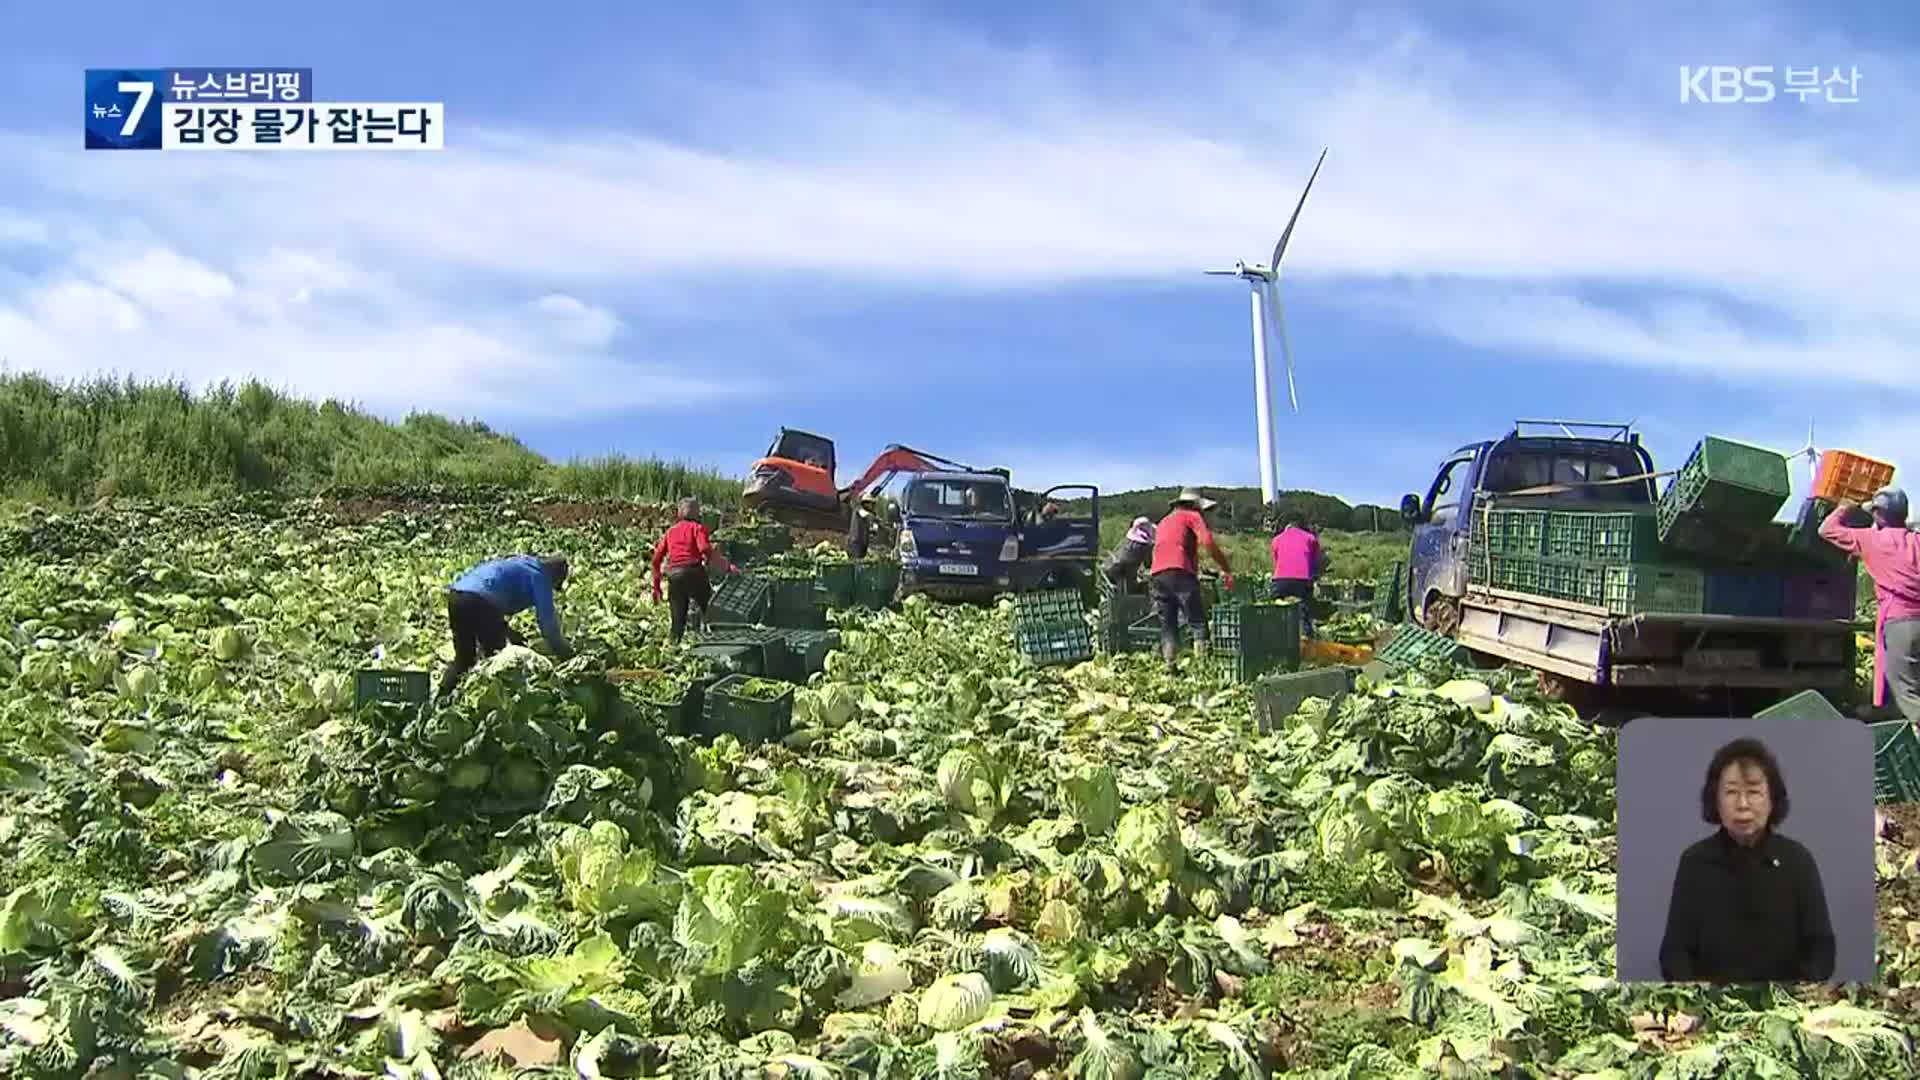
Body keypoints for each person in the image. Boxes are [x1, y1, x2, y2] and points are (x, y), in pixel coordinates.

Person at [1657, 737, 1835, 983]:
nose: (1742, 805)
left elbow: (1822, 948)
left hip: (1783, 1006)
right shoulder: (1695, 862)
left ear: (1772, 799)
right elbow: (1675, 952)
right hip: (1713, 1006)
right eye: (1731, 792)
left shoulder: (1797, 860)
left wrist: (1795, 995)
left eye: (1754, 792)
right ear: (1715, 800)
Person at [1819, 487, 1920, 723]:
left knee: (1905, 688)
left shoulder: (1870, 539)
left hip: (1900, 623)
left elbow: (1826, 530)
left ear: (1879, 515)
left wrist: (1844, 508)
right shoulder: (1916, 540)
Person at [438, 554, 573, 699]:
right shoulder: (541, 578)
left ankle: (440, 698)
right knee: (500, 661)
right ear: (555, 576)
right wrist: (568, 657)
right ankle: (494, 705)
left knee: (464, 658)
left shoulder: (524, 562)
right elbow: (548, 627)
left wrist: (509, 632)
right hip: (481, 601)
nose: (552, 588)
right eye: (555, 585)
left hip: (457, 596)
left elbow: (494, 599)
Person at [1150, 488, 1236, 672]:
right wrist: (1226, 568)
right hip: (1180, 571)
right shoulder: (1192, 516)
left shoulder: (1165, 521)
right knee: (1197, 619)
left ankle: (1169, 664)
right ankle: (1203, 668)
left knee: (1168, 623)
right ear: (1196, 505)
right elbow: (1208, 542)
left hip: (1158, 573)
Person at [651, 497, 738, 642]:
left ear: (679, 513)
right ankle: (714, 641)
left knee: (677, 621)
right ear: (696, 513)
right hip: (694, 572)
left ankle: (674, 647)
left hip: (675, 576)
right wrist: (727, 566)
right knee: (709, 610)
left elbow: (656, 560)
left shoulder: (670, 532)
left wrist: (656, 587)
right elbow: (704, 548)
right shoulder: (697, 528)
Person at [1268, 513, 1329, 639]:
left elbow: (1277, 562)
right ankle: (1307, 638)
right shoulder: (1310, 538)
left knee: (1278, 608)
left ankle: (1277, 637)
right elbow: (1314, 562)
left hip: (1280, 581)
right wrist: (1313, 578)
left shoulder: (1276, 540)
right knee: (1304, 609)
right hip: (1302, 581)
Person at [1103, 516, 1156, 594]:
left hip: (1110, 567)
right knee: (1128, 593)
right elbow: (1148, 564)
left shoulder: (1126, 542)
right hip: (1124, 571)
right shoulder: (1145, 546)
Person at [847, 494, 878, 559]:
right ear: (866, 503)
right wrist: (876, 518)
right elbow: (866, 515)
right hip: (855, 544)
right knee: (857, 563)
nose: (872, 506)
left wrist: (873, 530)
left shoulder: (867, 516)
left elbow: (869, 529)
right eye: (871, 504)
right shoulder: (858, 509)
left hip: (862, 545)